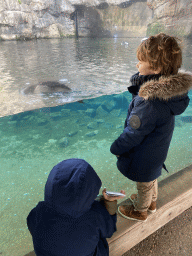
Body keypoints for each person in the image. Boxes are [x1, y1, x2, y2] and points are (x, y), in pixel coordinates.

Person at [110, 33, 192, 222]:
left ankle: (141, 210)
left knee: (144, 183)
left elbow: (133, 133)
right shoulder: (169, 95)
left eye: (140, 62)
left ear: (156, 68)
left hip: (145, 154)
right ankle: (151, 203)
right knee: (152, 177)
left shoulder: (149, 102)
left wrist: (117, 148)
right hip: (158, 149)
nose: (136, 65)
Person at [26, 158, 125, 256]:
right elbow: (109, 230)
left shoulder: (39, 211)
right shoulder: (95, 214)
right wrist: (108, 202)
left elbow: (31, 224)